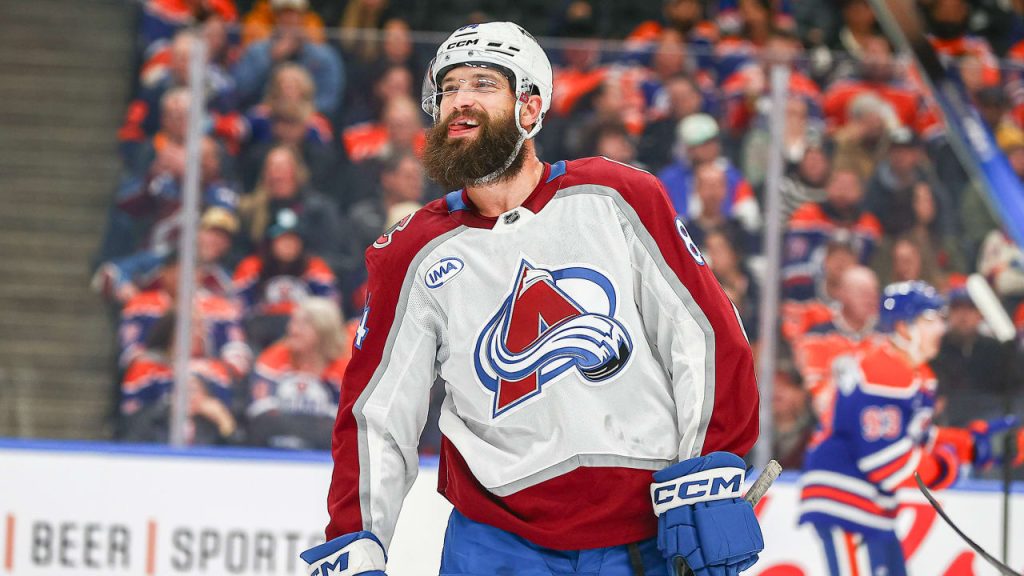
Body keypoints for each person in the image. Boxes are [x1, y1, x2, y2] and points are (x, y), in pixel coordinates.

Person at [300, 21, 763, 576]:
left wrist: (708, 467)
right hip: (497, 542)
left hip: (643, 528)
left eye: (483, 84)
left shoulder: (617, 197)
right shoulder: (411, 253)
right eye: (448, 89)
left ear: (530, 107)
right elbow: (377, 413)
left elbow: (702, 335)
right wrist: (356, 539)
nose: (460, 101)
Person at [798, 281, 1015, 576]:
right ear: (903, 327)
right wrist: (945, 467)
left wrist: (971, 445)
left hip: (872, 507)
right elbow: (887, 462)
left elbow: (917, 437)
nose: (940, 328)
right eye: (930, 320)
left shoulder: (913, 373)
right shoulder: (882, 371)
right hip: (845, 500)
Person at [245, 297, 348, 450]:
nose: (293, 330)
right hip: (273, 449)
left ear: (325, 330)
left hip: (324, 455)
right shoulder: (274, 357)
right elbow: (260, 414)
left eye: (304, 324)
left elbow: (343, 424)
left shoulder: (344, 368)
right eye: (293, 322)